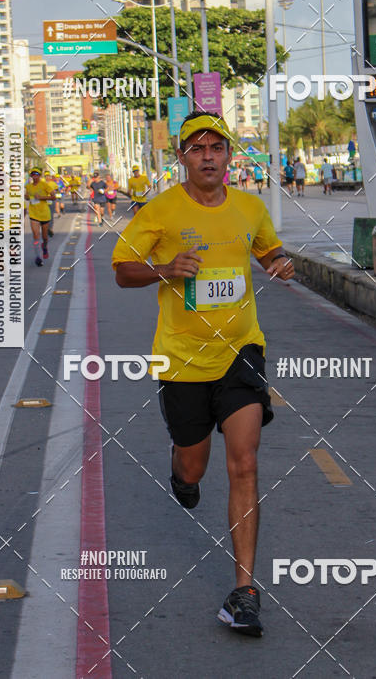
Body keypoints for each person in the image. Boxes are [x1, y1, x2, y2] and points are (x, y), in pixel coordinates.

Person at [112, 111, 294, 638]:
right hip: (181, 358)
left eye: (217, 147)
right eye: (198, 148)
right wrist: (165, 270)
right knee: (195, 468)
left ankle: (244, 592)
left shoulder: (250, 207)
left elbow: (268, 252)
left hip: (241, 351)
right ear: (183, 157)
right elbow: (122, 270)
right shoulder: (161, 211)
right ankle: (181, 472)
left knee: (245, 464)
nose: (209, 155)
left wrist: (281, 265)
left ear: (230, 155)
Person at [24, 168, 54, 266]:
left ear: (40, 175)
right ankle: (38, 257)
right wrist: (27, 197)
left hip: (44, 214)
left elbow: (53, 197)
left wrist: (41, 197)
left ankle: (44, 247)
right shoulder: (28, 186)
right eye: (33, 174)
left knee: (44, 237)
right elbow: (26, 196)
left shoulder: (45, 185)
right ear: (31, 176)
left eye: (36, 174)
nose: (35, 176)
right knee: (36, 235)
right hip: (33, 214)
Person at [44, 172, 59, 236]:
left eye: (48, 176)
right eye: (46, 176)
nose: (47, 177)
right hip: (43, 201)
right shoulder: (42, 183)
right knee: (44, 216)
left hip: (51, 200)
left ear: (50, 177)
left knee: (51, 215)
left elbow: (56, 190)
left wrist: (54, 192)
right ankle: (46, 228)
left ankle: (50, 228)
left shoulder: (53, 183)